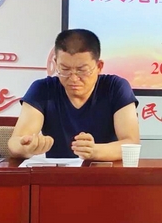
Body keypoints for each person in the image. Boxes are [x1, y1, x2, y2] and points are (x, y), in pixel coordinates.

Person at [8, 29, 139, 160]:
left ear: (99, 66)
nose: (73, 78)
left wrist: (94, 151)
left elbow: (131, 143)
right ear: (56, 63)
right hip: (58, 171)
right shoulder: (42, 89)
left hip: (105, 170)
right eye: (65, 69)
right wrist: (27, 147)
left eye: (82, 70)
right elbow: (14, 143)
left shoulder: (116, 88)